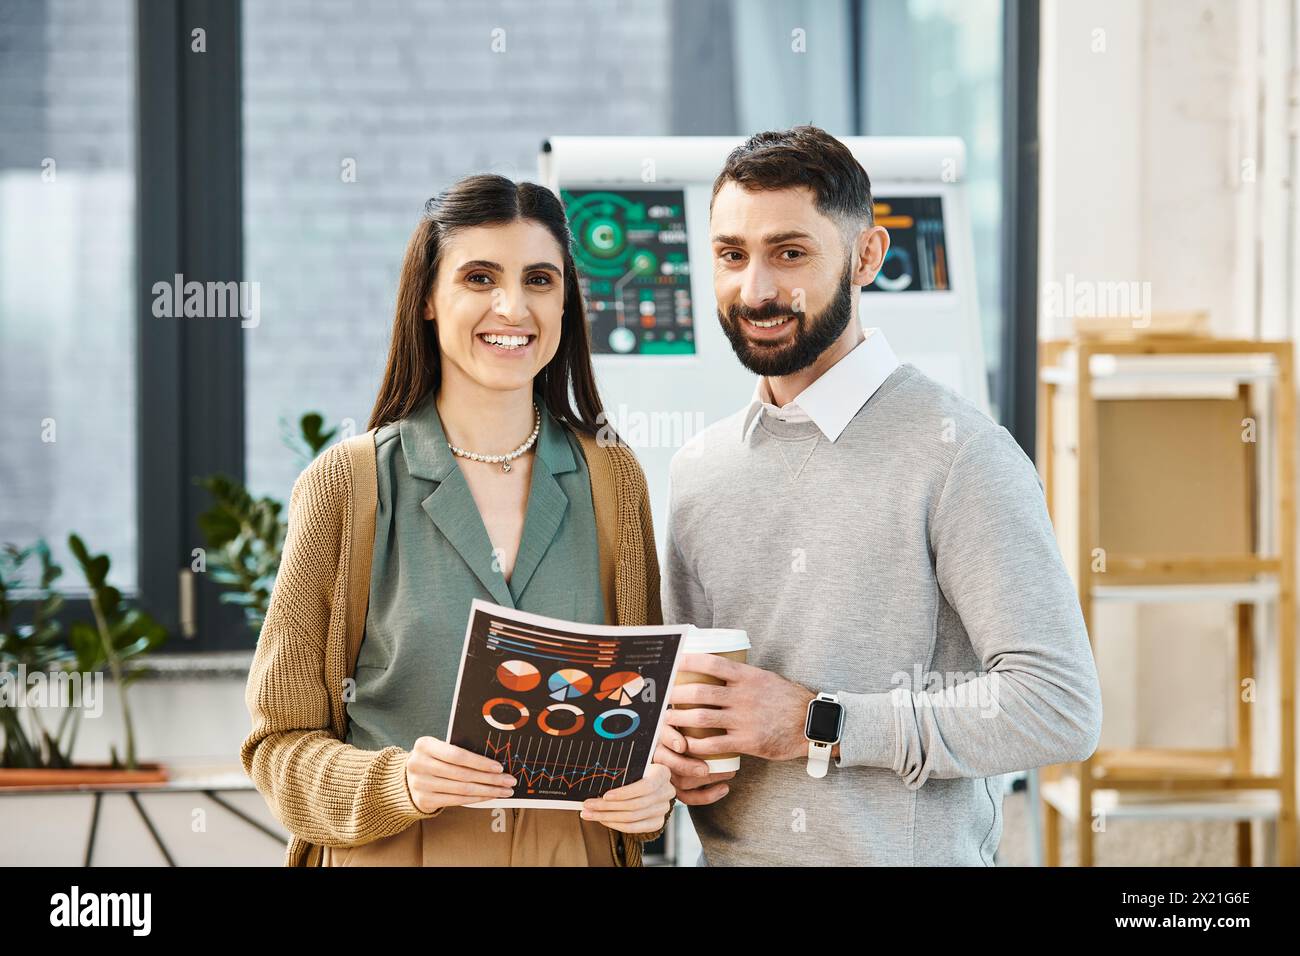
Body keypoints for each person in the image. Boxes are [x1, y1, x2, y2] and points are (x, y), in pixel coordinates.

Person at [654, 126, 1103, 865]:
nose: (757, 289)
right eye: (733, 255)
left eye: (790, 253)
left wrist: (818, 722)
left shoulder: (961, 456)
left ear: (866, 256)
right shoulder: (700, 470)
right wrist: (676, 752)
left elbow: (1058, 707)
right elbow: (689, 701)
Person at [241, 174, 674, 866]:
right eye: (479, 278)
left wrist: (656, 793)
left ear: (565, 302)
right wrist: (399, 782)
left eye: (539, 279)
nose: (513, 306)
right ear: (427, 302)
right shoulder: (347, 487)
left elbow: (646, 718)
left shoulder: (613, 481)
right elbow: (278, 748)